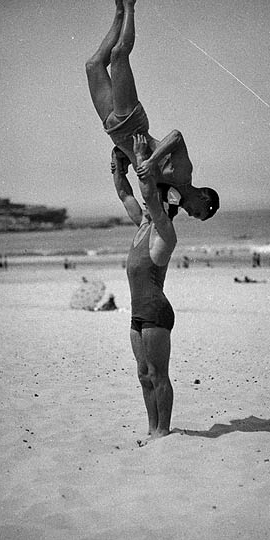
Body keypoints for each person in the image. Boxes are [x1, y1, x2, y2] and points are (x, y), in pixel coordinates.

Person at [86, 0, 219, 222]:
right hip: (130, 122)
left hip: (113, 129)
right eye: (198, 212)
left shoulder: (170, 197)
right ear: (204, 197)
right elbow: (176, 137)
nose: (190, 213)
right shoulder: (183, 175)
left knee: (93, 66)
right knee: (117, 56)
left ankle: (118, 13)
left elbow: (138, 186)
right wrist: (152, 160)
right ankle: (130, 6)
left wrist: (120, 157)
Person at [113, 133, 176, 441]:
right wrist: (117, 167)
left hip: (156, 312)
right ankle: (152, 428)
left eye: (154, 202)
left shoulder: (165, 231)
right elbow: (126, 195)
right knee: (143, 375)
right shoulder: (142, 226)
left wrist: (141, 157)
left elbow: (149, 194)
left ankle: (163, 431)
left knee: (158, 375)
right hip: (138, 314)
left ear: (165, 206)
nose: (145, 203)